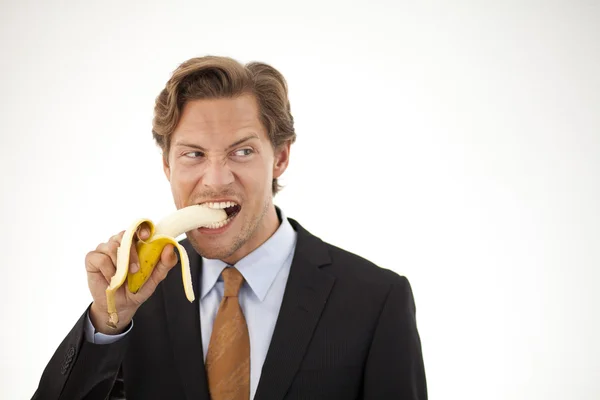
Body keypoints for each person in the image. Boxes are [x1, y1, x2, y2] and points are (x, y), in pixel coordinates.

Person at [31, 55, 428, 400]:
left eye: (242, 151)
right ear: (167, 165)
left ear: (280, 158)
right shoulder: (138, 296)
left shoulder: (377, 301)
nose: (216, 179)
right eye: (193, 154)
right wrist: (107, 321)